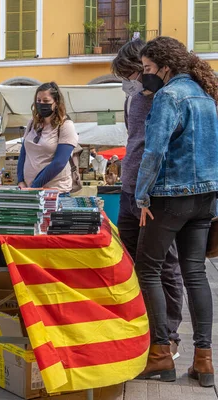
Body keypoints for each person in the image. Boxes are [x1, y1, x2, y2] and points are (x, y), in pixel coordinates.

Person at [135, 36, 218, 387]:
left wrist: (142, 197)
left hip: (170, 196)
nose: (143, 77)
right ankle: (204, 360)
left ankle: (160, 355)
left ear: (165, 67)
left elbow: (152, 153)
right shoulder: (204, 96)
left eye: (147, 69)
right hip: (205, 197)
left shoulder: (169, 97)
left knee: (148, 269)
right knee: (195, 273)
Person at [111, 38, 183, 361]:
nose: (127, 82)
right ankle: (143, 327)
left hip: (153, 195)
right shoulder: (132, 100)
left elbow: (163, 148)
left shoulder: (165, 98)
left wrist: (149, 193)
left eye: (129, 74)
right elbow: (134, 141)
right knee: (130, 260)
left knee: (164, 264)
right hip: (128, 190)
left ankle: (169, 335)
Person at [17, 82, 78, 192]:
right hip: (28, 189)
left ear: (56, 102)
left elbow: (59, 162)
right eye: (38, 100)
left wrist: (35, 185)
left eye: (46, 101)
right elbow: (23, 153)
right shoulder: (32, 123)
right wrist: (20, 180)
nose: (41, 104)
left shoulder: (65, 125)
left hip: (55, 191)